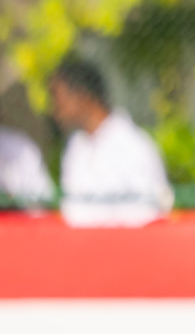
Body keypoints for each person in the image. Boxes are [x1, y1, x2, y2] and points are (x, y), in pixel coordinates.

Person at [50, 58, 173, 227]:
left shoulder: (133, 145)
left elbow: (149, 215)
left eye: (58, 97)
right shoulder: (75, 148)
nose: (55, 108)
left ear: (82, 96)